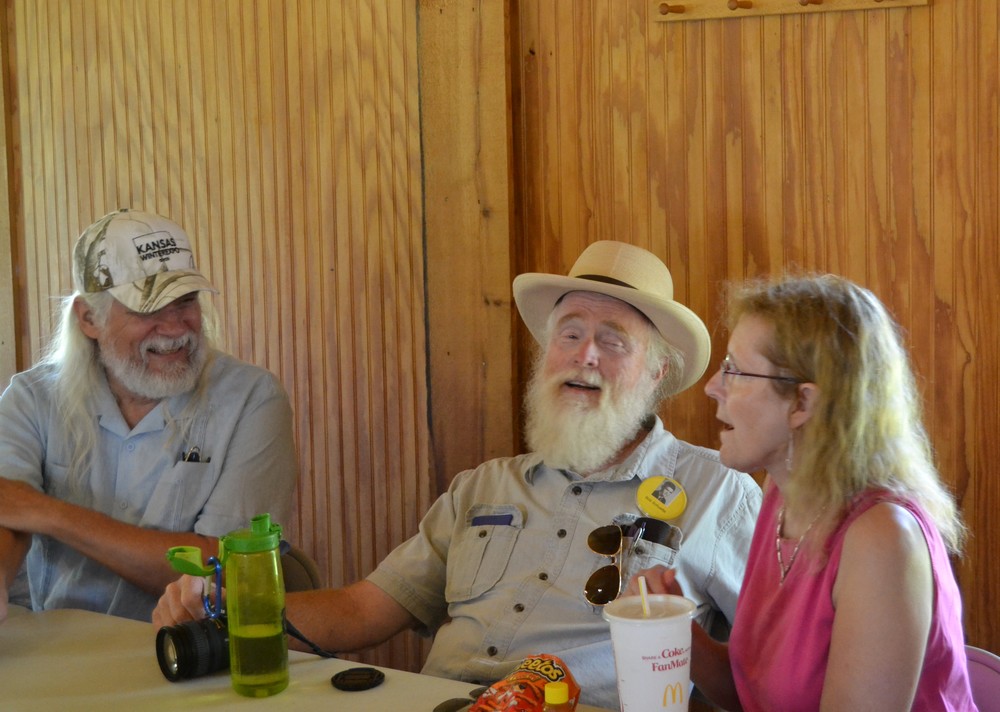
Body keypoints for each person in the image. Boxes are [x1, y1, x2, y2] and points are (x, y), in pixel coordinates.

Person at [153, 240, 761, 709]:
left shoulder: (718, 492)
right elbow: (364, 609)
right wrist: (231, 612)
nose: (585, 355)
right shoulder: (483, 486)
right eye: (570, 334)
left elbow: (764, 675)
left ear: (656, 373)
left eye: (614, 341)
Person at [633, 273, 978, 711]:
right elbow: (754, 696)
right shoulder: (781, 492)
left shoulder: (881, 539)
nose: (712, 387)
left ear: (803, 403)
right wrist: (675, 626)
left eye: (734, 370)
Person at [0, 209, 299, 624]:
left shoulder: (252, 398)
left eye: (185, 301)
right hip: (60, 644)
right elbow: (9, 511)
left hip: (189, 647)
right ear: (89, 318)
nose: (175, 328)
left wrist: (51, 515)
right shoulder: (32, 397)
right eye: (147, 309)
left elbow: (227, 568)